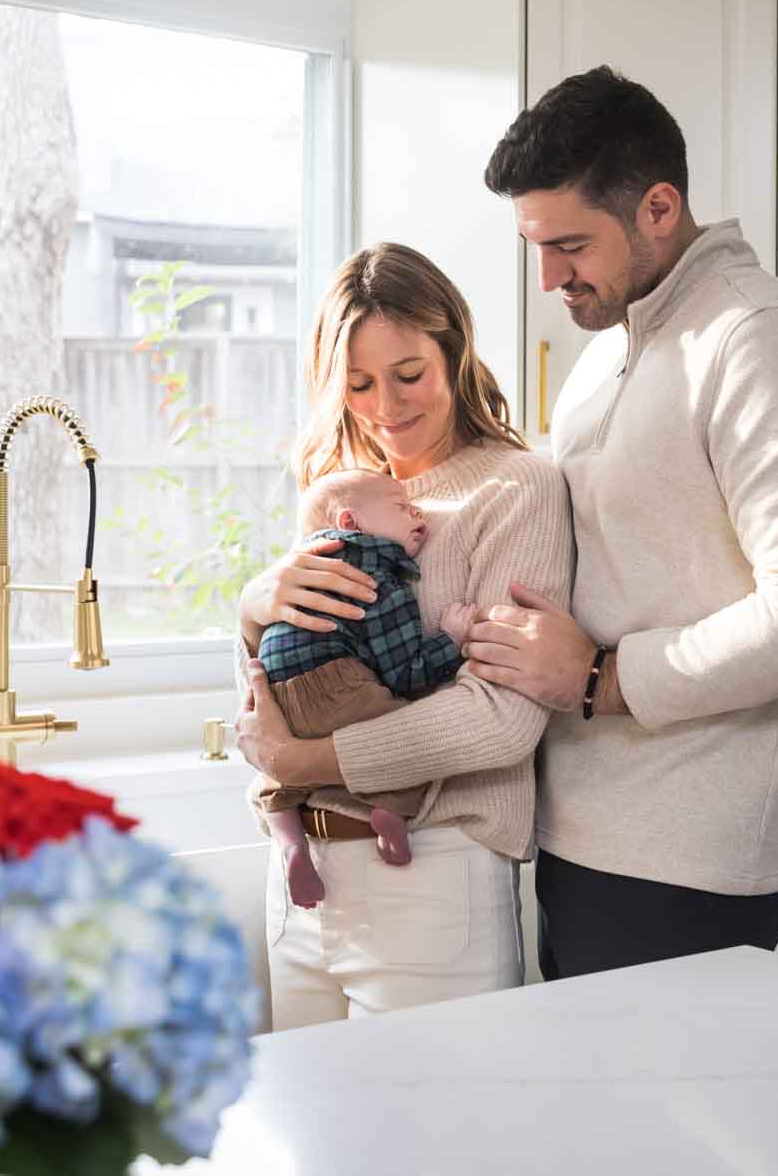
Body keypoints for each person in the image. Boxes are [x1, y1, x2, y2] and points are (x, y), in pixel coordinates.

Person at [465, 65, 778, 979]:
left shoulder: (762, 341)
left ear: (659, 208)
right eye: (535, 247)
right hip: (585, 832)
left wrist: (602, 679)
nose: (548, 278)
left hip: (689, 858)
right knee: (595, 1124)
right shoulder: (606, 352)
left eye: (569, 244)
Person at [230, 242, 573, 1029]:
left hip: (430, 878)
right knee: (312, 1150)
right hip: (304, 876)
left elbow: (502, 719)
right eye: (358, 384)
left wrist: (304, 761)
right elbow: (277, 696)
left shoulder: (514, 488)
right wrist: (251, 607)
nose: (385, 405)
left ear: (453, 346)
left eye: (408, 373)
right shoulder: (339, 497)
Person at [253, 468, 478, 905]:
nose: (416, 511)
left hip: (275, 687)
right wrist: (451, 640)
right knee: (407, 740)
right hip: (334, 681)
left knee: (274, 776)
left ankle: (290, 843)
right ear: (351, 523)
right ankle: (389, 811)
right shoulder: (374, 569)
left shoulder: (296, 565)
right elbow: (405, 672)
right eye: (400, 506)